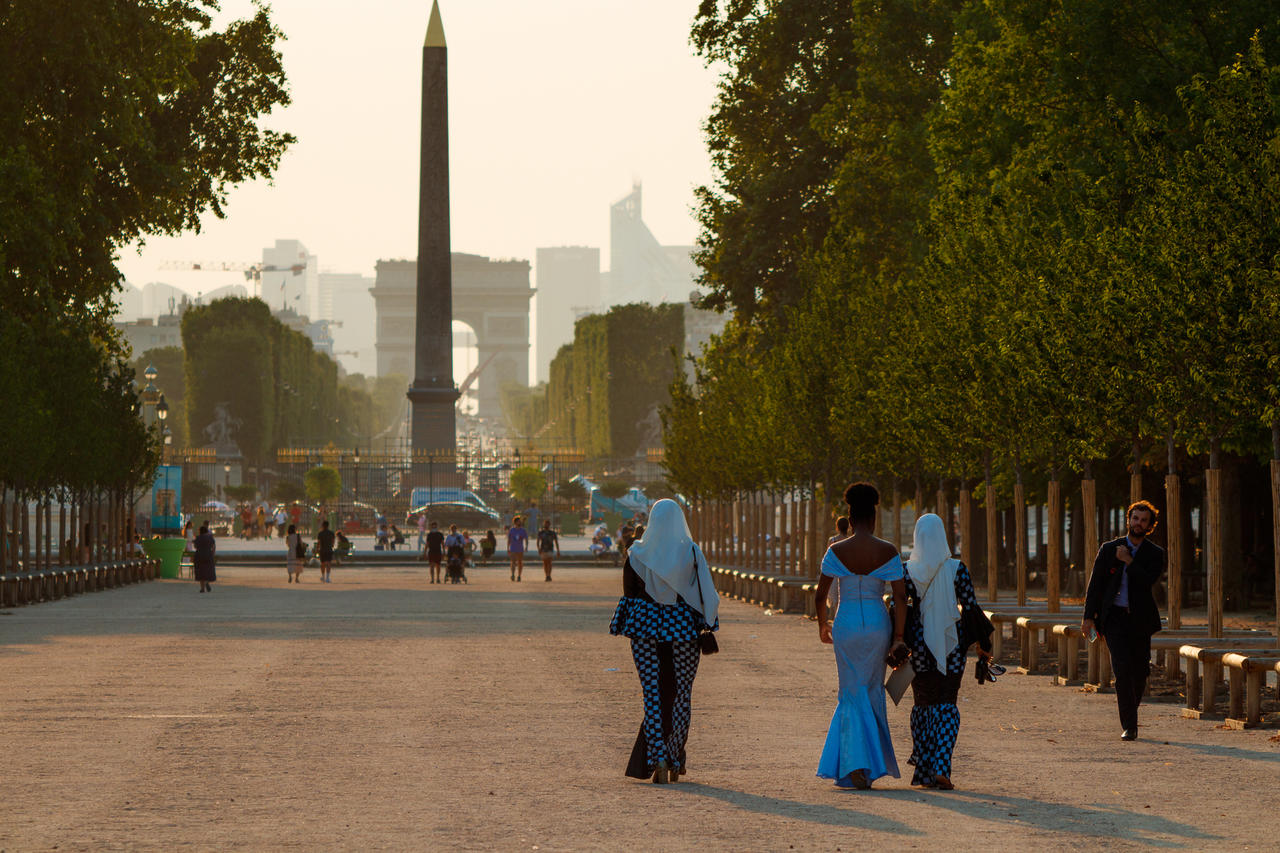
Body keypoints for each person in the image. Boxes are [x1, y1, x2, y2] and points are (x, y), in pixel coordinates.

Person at [609, 498, 719, 784]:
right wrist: (708, 623)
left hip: (645, 628)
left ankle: (656, 757)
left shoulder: (636, 554)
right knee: (682, 694)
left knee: (652, 695)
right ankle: (674, 757)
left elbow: (629, 594)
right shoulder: (691, 552)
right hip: (682, 629)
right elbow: (708, 593)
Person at [814, 482, 907, 790]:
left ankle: (854, 763)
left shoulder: (836, 550)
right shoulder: (888, 551)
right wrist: (899, 636)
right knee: (871, 690)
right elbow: (900, 597)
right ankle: (868, 765)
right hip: (878, 624)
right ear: (874, 519)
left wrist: (822, 625)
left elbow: (821, 593)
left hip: (847, 623)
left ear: (850, 520)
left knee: (850, 691)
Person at [901, 513, 994, 790]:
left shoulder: (907, 570)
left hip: (917, 647)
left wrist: (895, 642)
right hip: (951, 646)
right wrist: (982, 644)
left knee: (923, 704)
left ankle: (925, 770)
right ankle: (942, 765)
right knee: (947, 704)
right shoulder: (957, 569)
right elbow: (970, 607)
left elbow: (899, 607)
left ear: (917, 537)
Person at [1082, 500, 1166, 741]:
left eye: (1144, 520)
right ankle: (1130, 725)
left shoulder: (1154, 553)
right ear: (1128, 519)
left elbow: (1148, 581)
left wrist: (1130, 561)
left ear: (1150, 525)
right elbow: (1095, 585)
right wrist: (1088, 617)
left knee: (1140, 672)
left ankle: (1130, 712)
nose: (1138, 523)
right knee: (1121, 669)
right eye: (1135, 518)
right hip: (1114, 619)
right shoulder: (1110, 549)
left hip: (1140, 620)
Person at [192, 523, 217, 593]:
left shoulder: (198, 538)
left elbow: (195, 547)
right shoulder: (210, 537)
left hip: (199, 555)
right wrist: (212, 553)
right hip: (208, 555)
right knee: (208, 570)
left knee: (200, 572)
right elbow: (213, 546)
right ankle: (206, 582)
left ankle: (202, 588)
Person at [507, 516, 528, 581]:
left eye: (520, 521)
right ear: (515, 522)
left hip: (520, 548)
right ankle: (513, 574)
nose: (520, 522)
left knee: (520, 562)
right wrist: (508, 548)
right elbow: (509, 539)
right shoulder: (511, 530)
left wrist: (526, 547)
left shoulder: (523, 530)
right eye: (519, 521)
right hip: (513, 548)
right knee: (513, 562)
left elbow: (526, 539)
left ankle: (519, 575)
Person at [316, 519, 336, 583]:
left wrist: (317, 549)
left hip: (322, 550)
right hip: (329, 549)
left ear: (322, 526)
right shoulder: (331, 533)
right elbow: (333, 541)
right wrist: (332, 545)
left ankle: (323, 576)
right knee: (328, 563)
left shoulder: (320, 533)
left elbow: (318, 542)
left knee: (322, 564)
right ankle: (327, 577)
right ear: (328, 526)